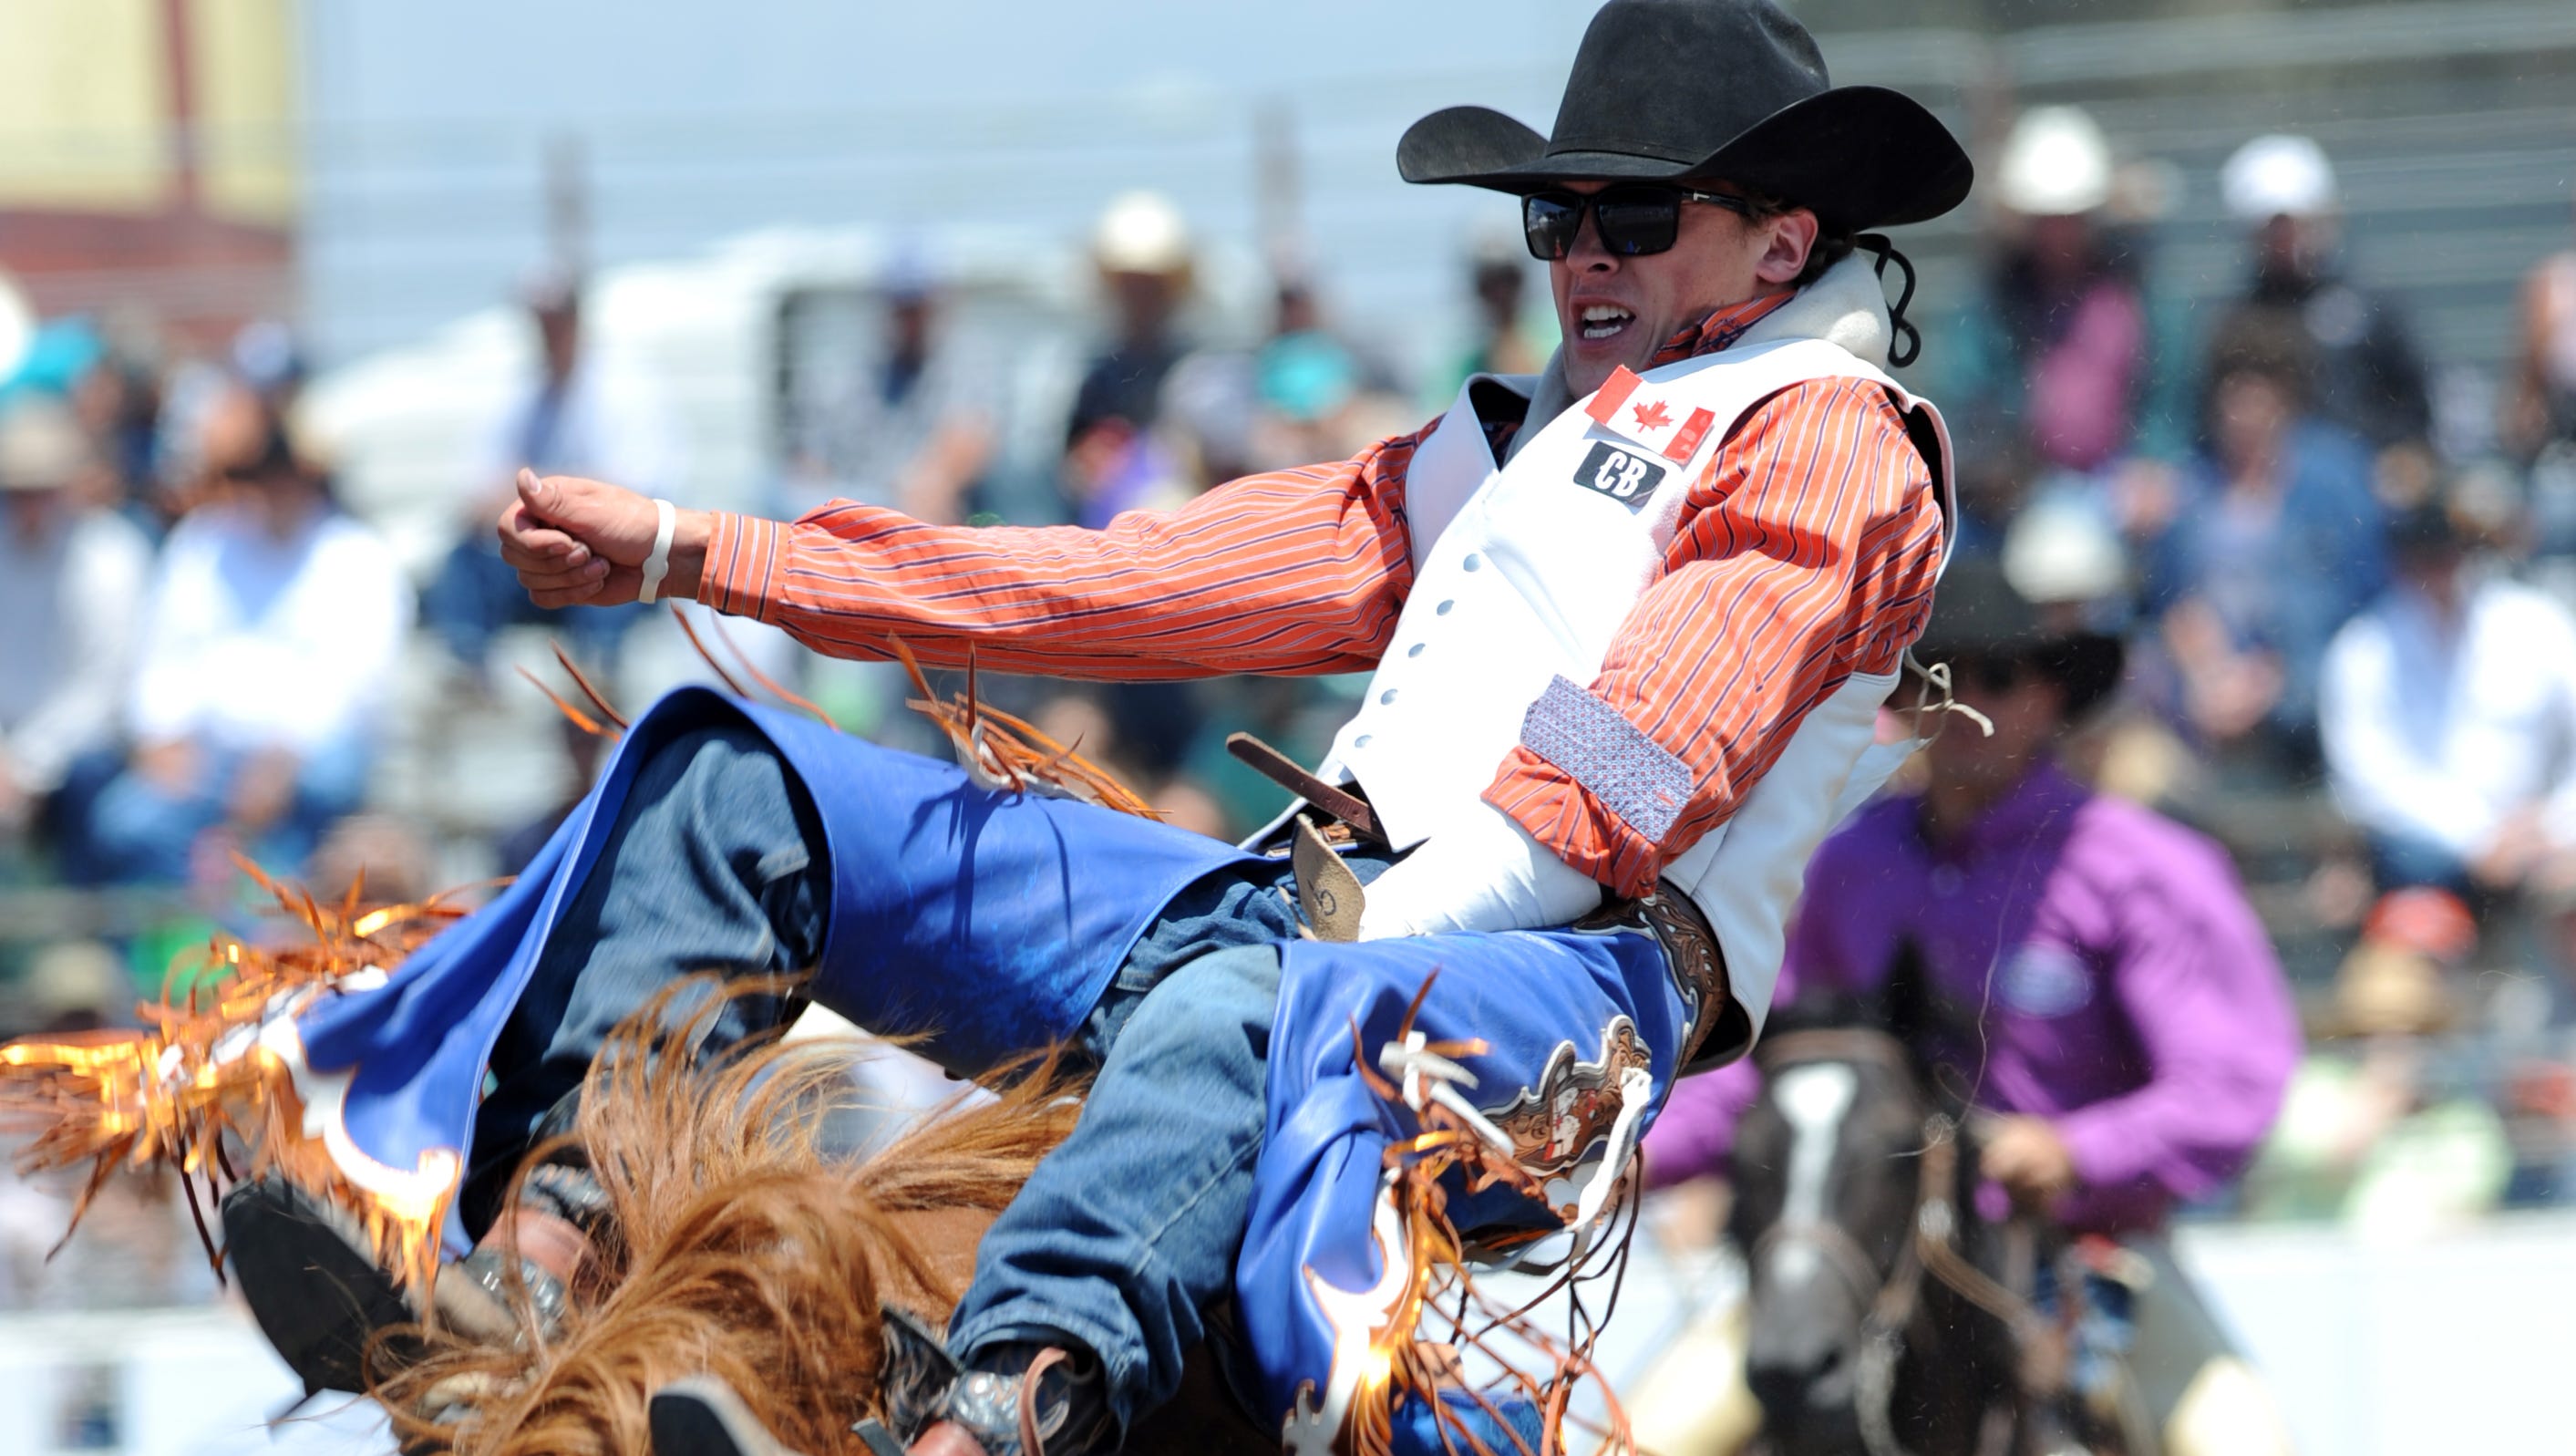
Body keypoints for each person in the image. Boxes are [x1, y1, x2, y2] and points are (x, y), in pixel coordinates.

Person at [222, 5, 1971, 1453]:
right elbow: (1115, 584)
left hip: (1564, 990)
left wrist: (1335, 933)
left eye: (1633, 219)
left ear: (1782, 240)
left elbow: (1624, 778)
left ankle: (1001, 1410)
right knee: (729, 778)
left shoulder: (1829, 437)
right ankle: (542, 1253)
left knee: (1241, 999)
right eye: (1556, 219)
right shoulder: (1506, 443)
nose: (1581, 253)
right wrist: (706, 551)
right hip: (1304, 908)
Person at [1645, 561, 2302, 1456]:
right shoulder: (1849, 862)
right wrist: (1626, 1154)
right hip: (1856, 1256)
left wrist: (2075, 1150)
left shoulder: (2144, 868)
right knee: (1632, 1439)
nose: (1959, 701)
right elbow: (1776, 1058)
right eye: (1929, 675)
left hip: (2085, 1253)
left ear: (2049, 697)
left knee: (2241, 1441)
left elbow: (2231, 1084)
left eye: (1992, 674)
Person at [74, 385, 412, 887]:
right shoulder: (202, 543)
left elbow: (359, 684)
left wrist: (284, 754)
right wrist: (164, 734)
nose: (270, 487)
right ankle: (217, 935)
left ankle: (281, 929)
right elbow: (164, 656)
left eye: (282, 472)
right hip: (205, 762)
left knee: (329, 788)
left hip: (308, 763)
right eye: (257, 472)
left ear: (310, 477)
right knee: (125, 822)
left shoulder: (357, 556)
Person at [2141, 321, 2383, 769]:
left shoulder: (2336, 479)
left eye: (2259, 398)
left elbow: (2364, 599)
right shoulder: (2190, 486)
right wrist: (2207, 673)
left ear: (2286, 401)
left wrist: (2274, 679)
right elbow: (2172, 602)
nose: (2245, 414)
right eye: (2233, 398)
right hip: (2210, 693)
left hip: (2309, 691)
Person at [2320, 497, 2576, 897]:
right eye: (2423, 560)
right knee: (2412, 862)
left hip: (2546, 840)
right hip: (2433, 851)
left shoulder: (2538, 624)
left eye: (2447, 556)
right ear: (2400, 564)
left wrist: (2557, 822)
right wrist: (2479, 835)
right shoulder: (2363, 650)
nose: (2438, 573)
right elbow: (2369, 777)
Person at [420, 268, 670, 676]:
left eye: (555, 318)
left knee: (610, 566)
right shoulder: (522, 391)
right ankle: (465, 672)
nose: (547, 330)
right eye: (540, 320)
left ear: (577, 319)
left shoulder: (624, 385)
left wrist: (536, 491)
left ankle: (598, 672)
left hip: (605, 557)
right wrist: (561, 494)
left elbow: (639, 495)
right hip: (543, 552)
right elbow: (473, 496)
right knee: (466, 558)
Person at [1940, 106, 2184, 516]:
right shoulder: (1992, 305)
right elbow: (1969, 396)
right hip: (2019, 488)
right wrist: (1995, 470)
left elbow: (2168, 391)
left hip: (2121, 482)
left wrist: (2153, 462)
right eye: (2046, 218)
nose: (2058, 232)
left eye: (2070, 217)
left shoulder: (2137, 295)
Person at [2206, 133, 2430, 456]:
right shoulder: (2234, 321)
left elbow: (2415, 405)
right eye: (2274, 227)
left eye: (2295, 223)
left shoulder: (2374, 304)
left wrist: (2405, 461)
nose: (2287, 238)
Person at [0, 396, 151, 858]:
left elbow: (103, 694)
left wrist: (24, 763)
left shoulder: (112, 557)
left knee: (102, 798)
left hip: (81, 756)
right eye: (16, 492)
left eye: (41, 490)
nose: (29, 506)